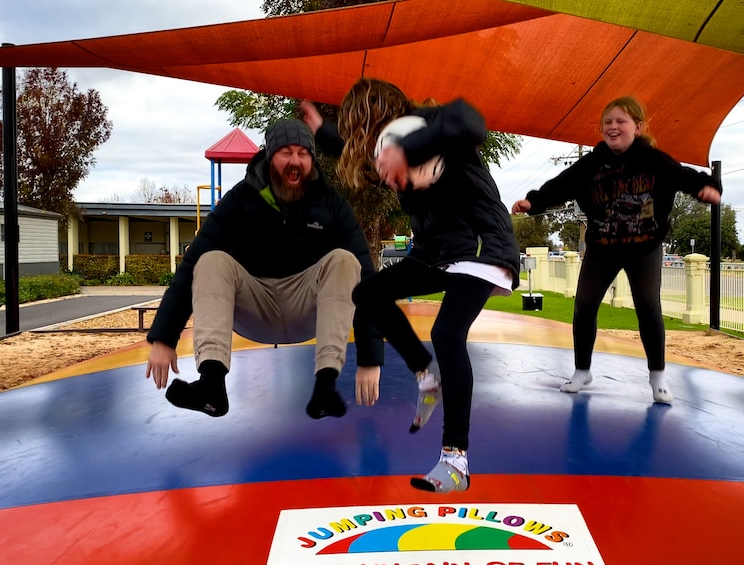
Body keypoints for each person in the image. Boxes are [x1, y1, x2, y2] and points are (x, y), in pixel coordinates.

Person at [300, 79, 521, 493]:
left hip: (482, 246)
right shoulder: (380, 147)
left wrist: (410, 150)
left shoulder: (431, 122)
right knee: (367, 294)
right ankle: (426, 376)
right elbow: (348, 149)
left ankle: (456, 462)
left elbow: (469, 119)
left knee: (447, 333)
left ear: (376, 113)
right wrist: (319, 129)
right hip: (435, 254)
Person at [145, 118, 383, 419]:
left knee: (346, 261)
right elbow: (190, 268)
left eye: (303, 153)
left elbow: (369, 281)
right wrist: (164, 338)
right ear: (270, 157)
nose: (295, 161)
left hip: (306, 308)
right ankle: (212, 386)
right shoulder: (240, 200)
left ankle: (325, 386)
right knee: (209, 260)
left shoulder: (331, 204)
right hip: (253, 307)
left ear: (311, 159)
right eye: (286, 153)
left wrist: (370, 359)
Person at [512, 96, 721, 404]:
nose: (612, 127)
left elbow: (684, 177)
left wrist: (707, 187)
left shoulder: (654, 160)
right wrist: (533, 203)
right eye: (607, 122)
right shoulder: (591, 164)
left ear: (637, 127)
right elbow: (559, 185)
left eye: (620, 121)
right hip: (603, 246)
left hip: (644, 247)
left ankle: (658, 377)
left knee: (648, 305)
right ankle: (582, 371)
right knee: (584, 305)